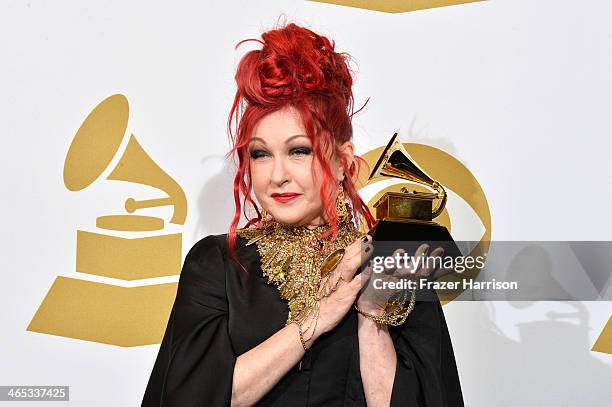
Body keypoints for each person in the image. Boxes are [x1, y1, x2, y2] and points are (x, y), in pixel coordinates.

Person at [141, 22, 464, 407]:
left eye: (299, 151)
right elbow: (190, 398)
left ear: (343, 161)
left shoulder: (392, 263)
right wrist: (317, 319)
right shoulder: (218, 264)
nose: (278, 175)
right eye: (261, 154)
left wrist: (372, 315)